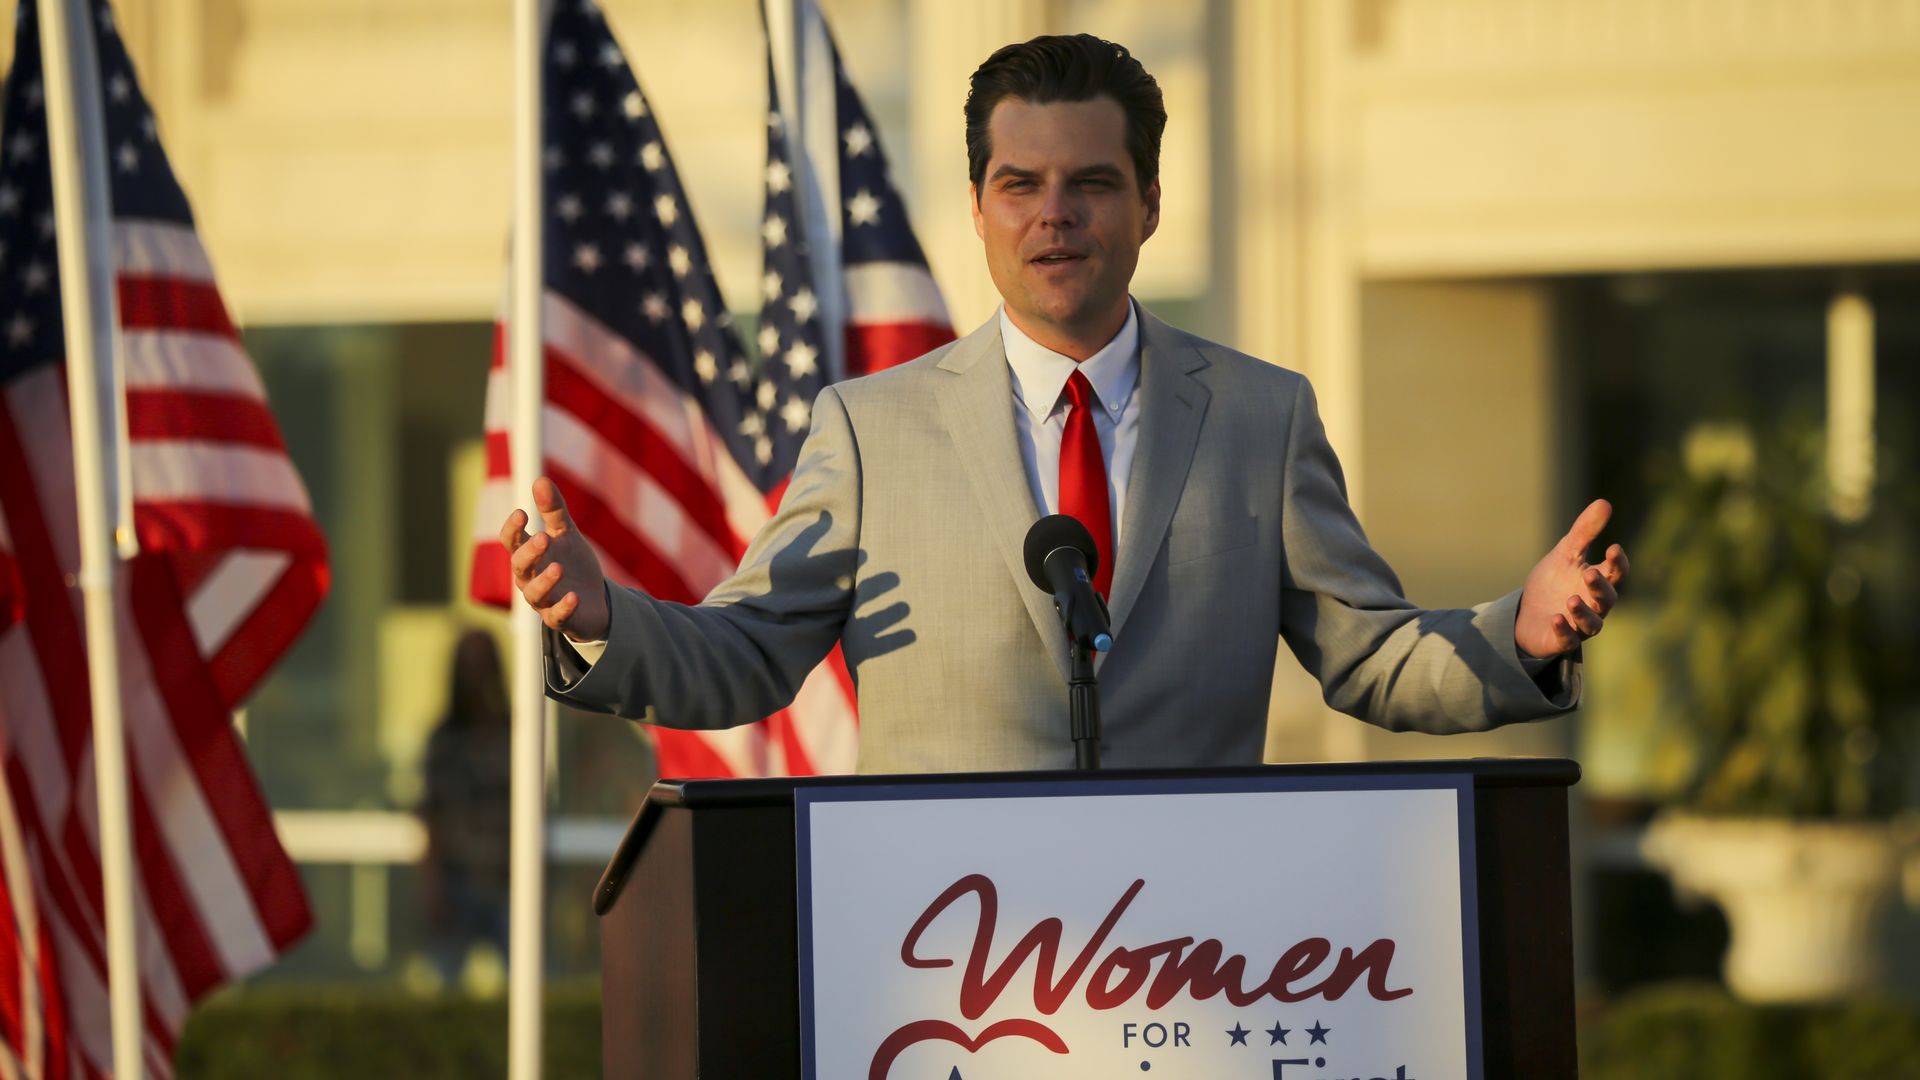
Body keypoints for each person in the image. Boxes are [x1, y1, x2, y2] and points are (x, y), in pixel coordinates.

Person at [497, 34, 1629, 773]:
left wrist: (1517, 636)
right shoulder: (871, 429)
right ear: (981, 213)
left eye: (1091, 184)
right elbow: (747, 652)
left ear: (1147, 205)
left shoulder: (1260, 419)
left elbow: (1371, 658)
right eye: (1020, 186)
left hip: (1191, 963)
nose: (1057, 216)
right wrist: (604, 618)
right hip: (948, 960)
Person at [418, 630, 512, 977]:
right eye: (469, 666)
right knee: (447, 985)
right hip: (457, 881)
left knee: (532, 985)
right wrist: (431, 886)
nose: (476, 676)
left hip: (510, 881)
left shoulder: (514, 734)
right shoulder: (445, 739)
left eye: (483, 665)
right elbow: (430, 815)